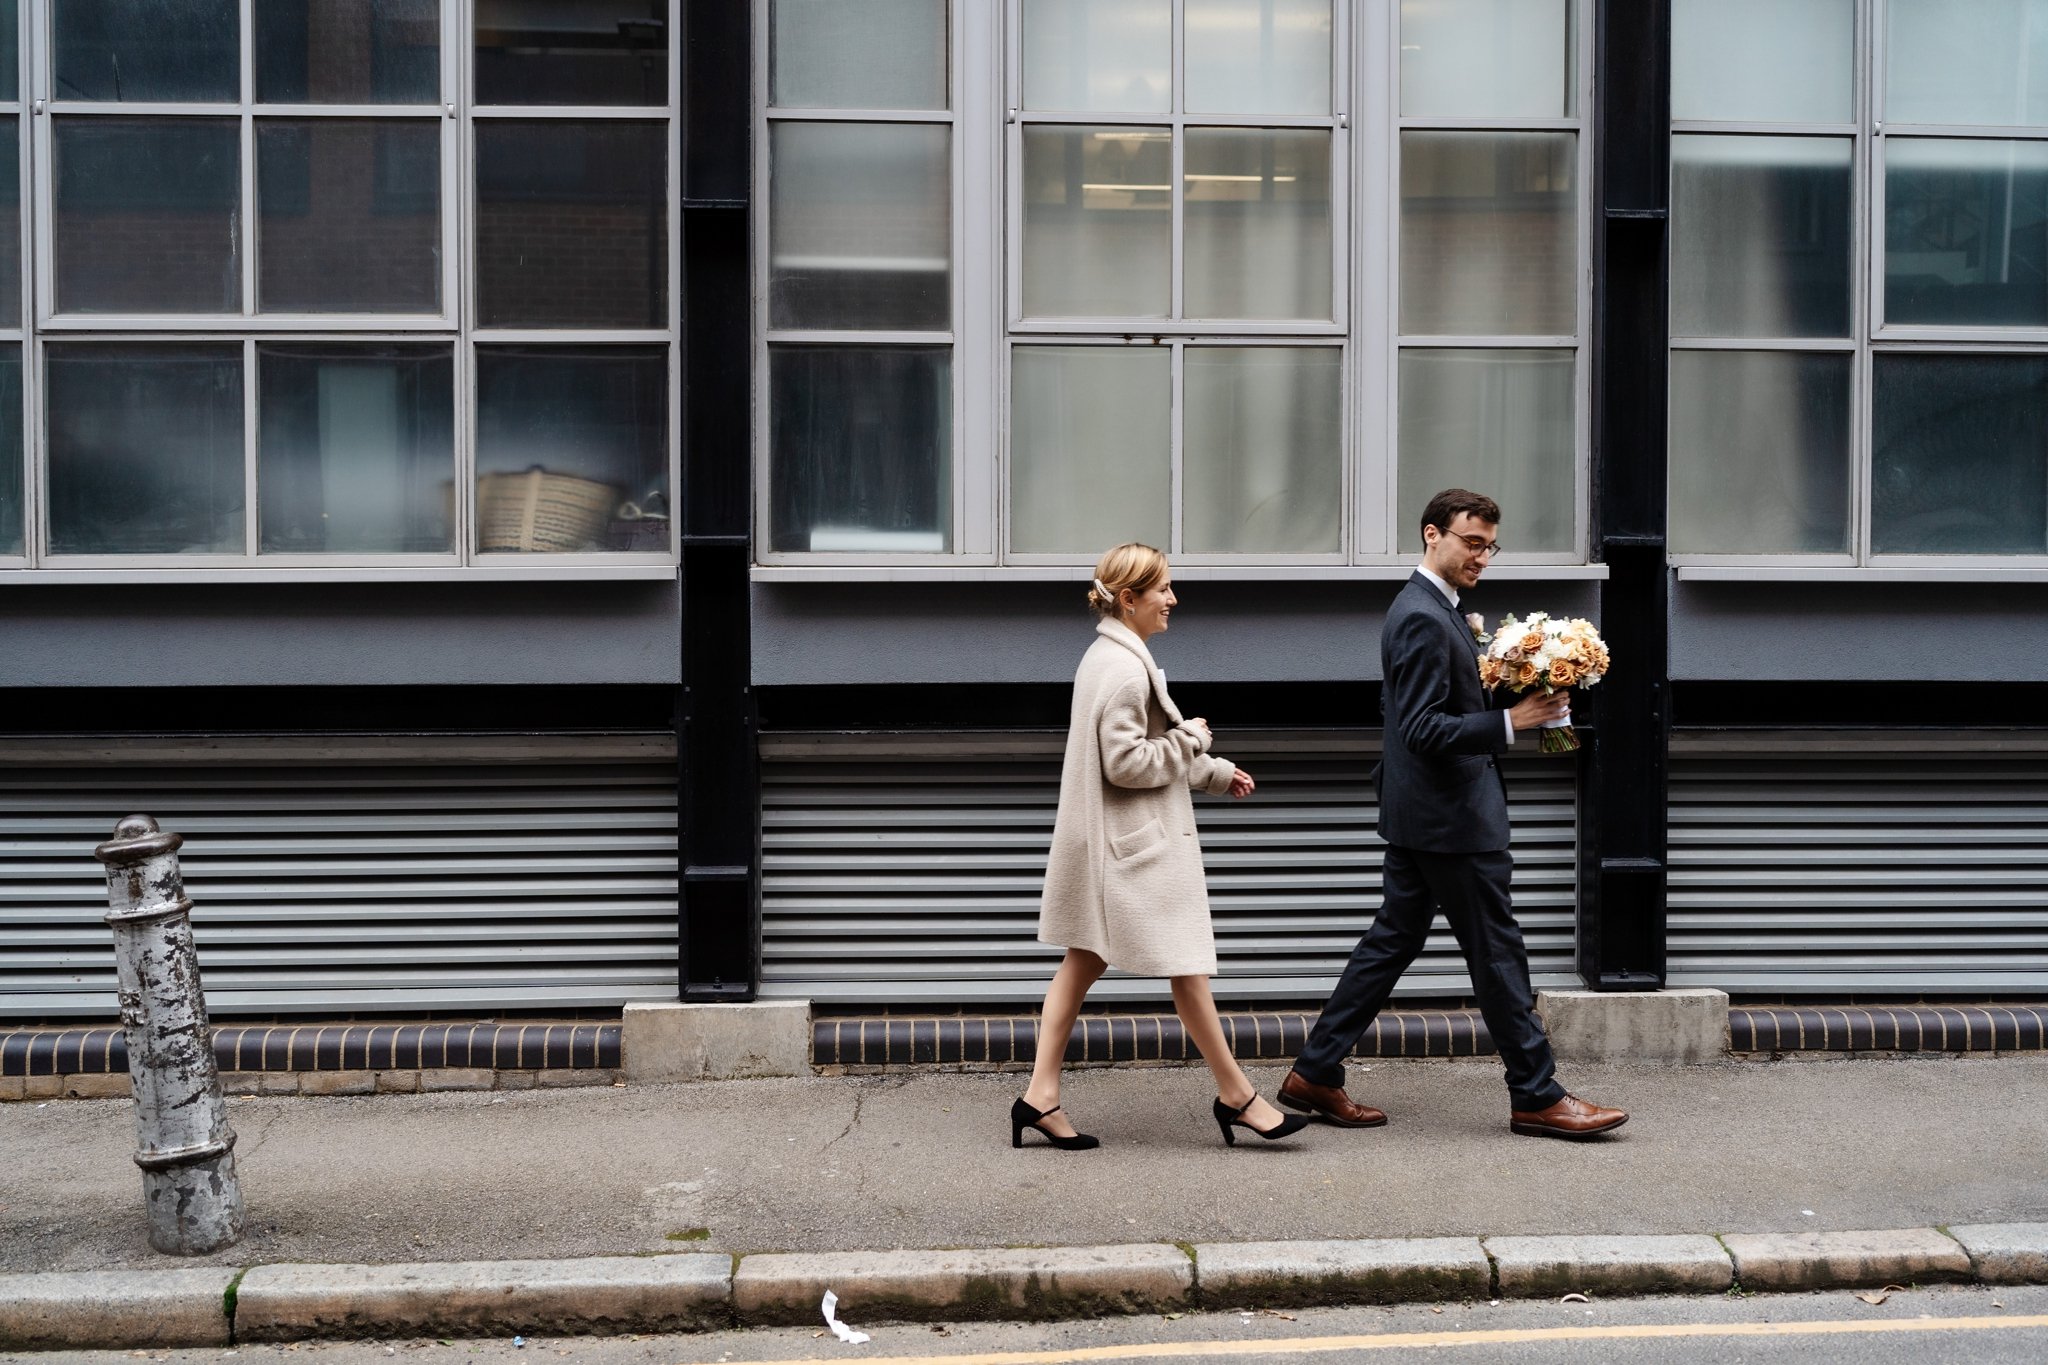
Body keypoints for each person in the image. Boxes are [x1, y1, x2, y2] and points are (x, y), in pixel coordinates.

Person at [1279, 490, 1628, 1141]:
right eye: (1472, 541)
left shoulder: (1442, 611)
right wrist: (1510, 720)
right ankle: (1536, 1093)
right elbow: (1420, 727)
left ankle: (1314, 1071)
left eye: (1490, 545)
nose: (1482, 556)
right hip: (1450, 820)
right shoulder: (1419, 616)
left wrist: (1513, 680)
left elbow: (1435, 706)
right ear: (1432, 534)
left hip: (1425, 815)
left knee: (1392, 941)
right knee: (1498, 953)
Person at [1015, 542, 1310, 1151]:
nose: (1173, 600)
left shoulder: (1108, 656)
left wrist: (1214, 770)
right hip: (1134, 852)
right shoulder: (1125, 668)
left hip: (1114, 846)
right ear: (1129, 599)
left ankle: (1039, 1097)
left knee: (1086, 964)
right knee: (1184, 967)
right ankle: (1238, 1098)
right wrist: (1193, 739)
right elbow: (1127, 763)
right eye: (1164, 590)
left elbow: (1147, 750)